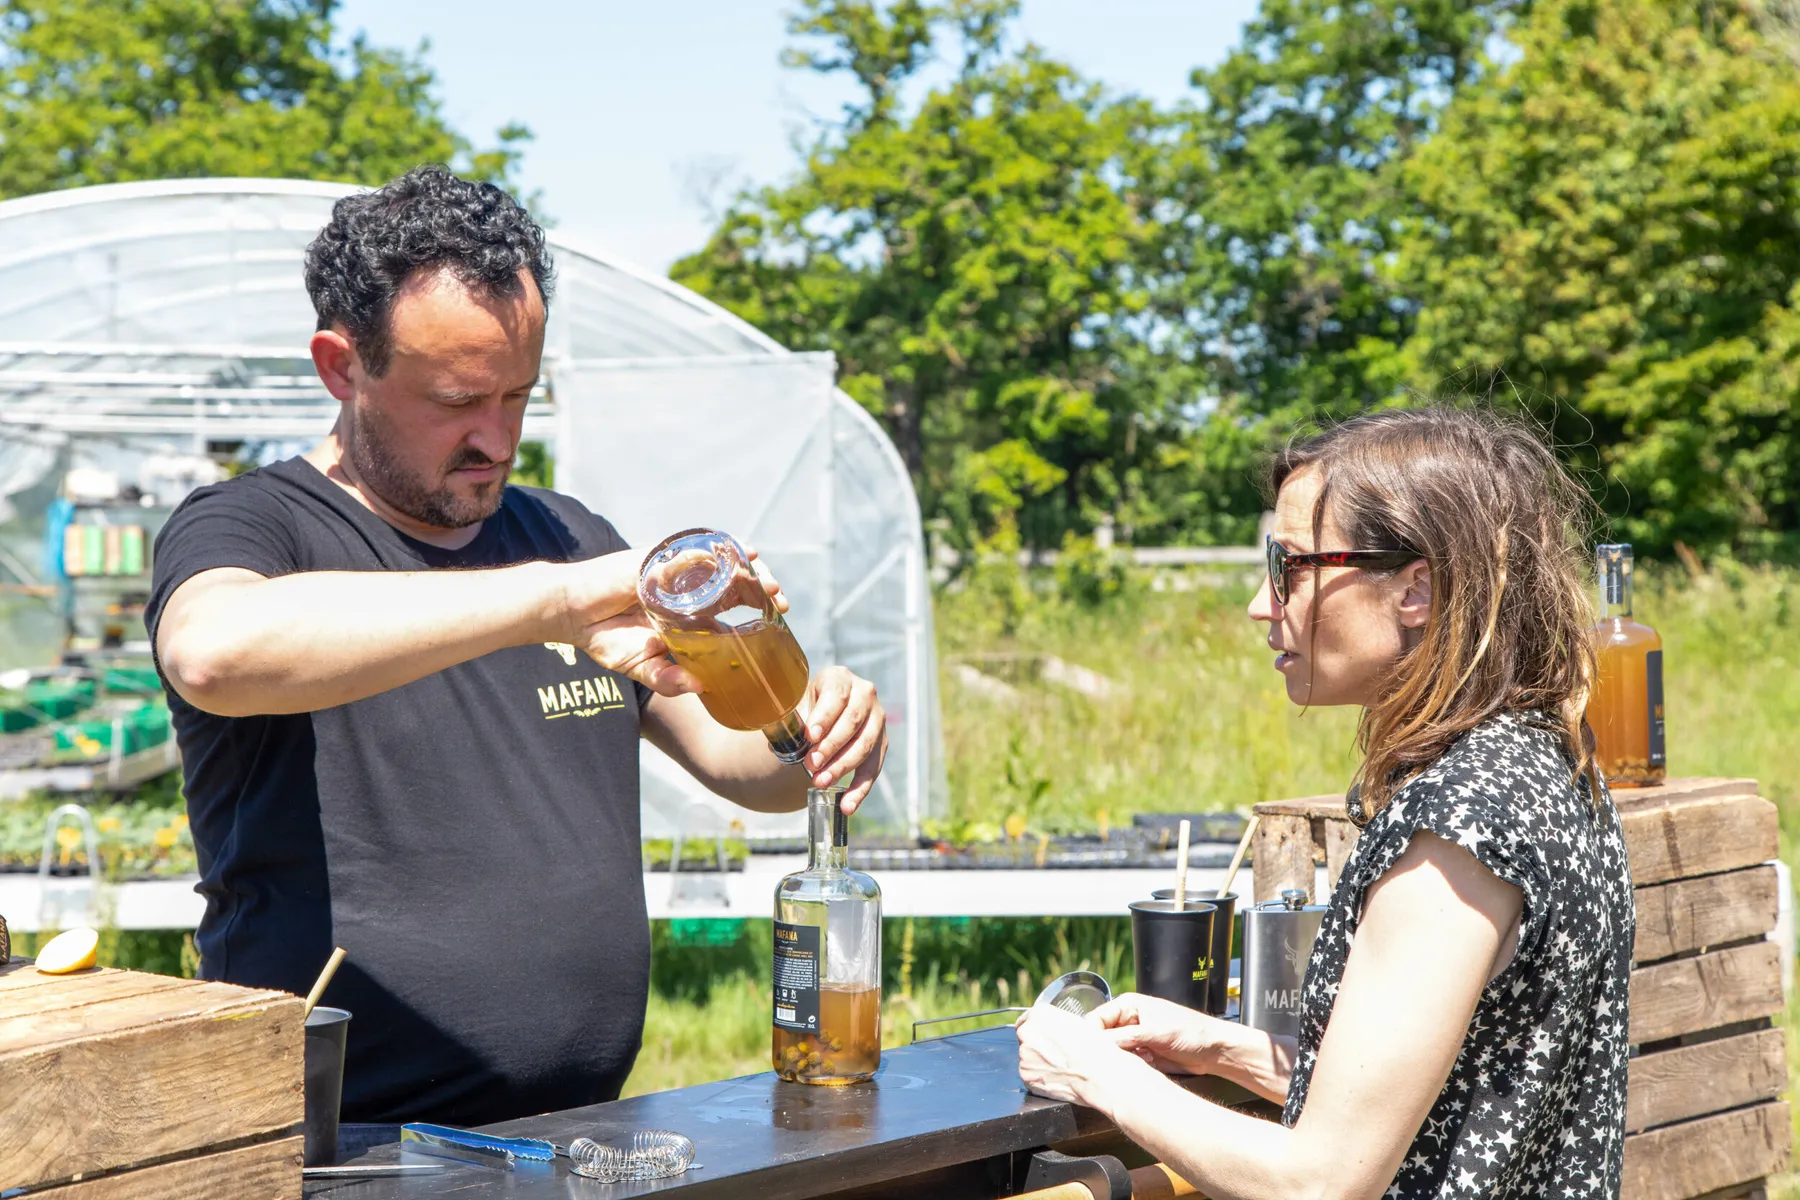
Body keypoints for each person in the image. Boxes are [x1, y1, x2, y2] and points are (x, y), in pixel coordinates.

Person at [148, 166, 887, 1128]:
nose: (494, 437)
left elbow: (744, 768)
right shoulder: (255, 525)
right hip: (333, 1141)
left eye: (518, 395)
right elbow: (215, 653)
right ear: (342, 366)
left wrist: (815, 733)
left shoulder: (571, 536)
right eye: (457, 399)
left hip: (577, 1133)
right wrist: (555, 602)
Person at [1016, 407, 1633, 1198]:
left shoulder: (1459, 825)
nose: (1258, 605)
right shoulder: (1545, 761)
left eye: (1291, 567)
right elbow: (1477, 1088)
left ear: (1416, 589)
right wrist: (1223, 1048)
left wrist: (1095, 1073)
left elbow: (1324, 1180)